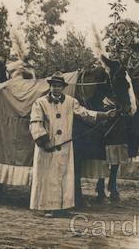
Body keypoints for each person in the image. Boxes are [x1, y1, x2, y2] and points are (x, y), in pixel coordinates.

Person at [29, 72, 116, 217]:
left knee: (64, 175)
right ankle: (47, 207)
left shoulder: (71, 102)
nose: (56, 89)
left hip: (64, 147)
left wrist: (104, 115)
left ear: (63, 87)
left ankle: (63, 207)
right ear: (50, 87)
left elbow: (84, 113)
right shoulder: (40, 103)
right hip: (47, 148)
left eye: (59, 86)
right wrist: (44, 142)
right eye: (53, 86)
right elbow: (35, 123)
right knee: (48, 177)